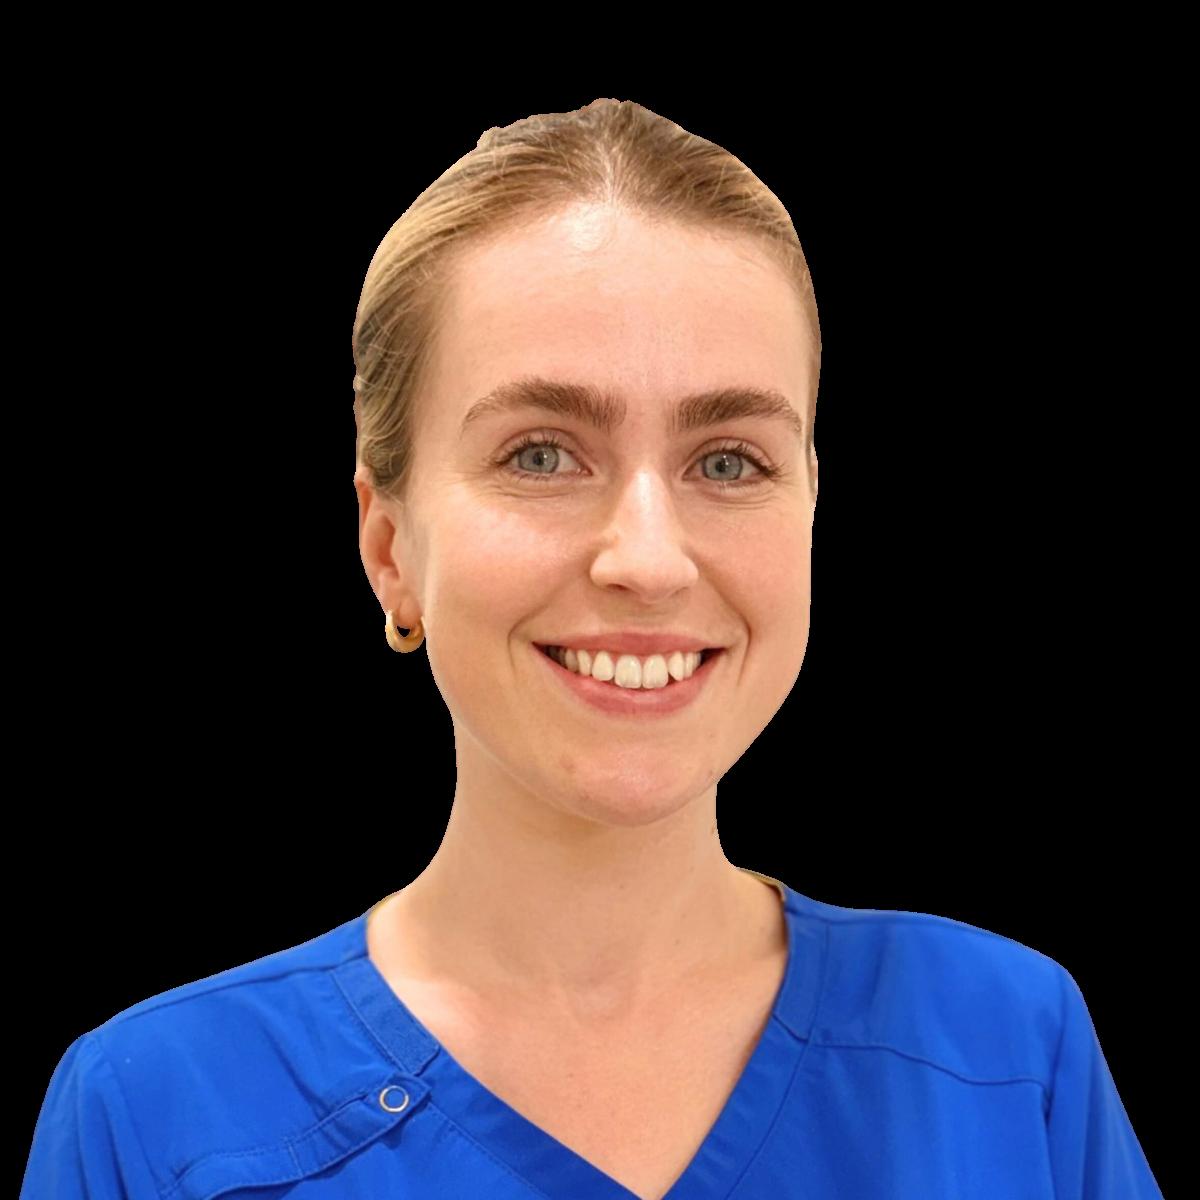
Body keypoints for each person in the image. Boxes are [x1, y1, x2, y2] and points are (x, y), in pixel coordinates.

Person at [22, 99, 1161, 1200]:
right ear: (388, 547)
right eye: (539, 455)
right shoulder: (154, 1116)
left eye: (729, 461)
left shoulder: (1011, 1049)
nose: (650, 560)